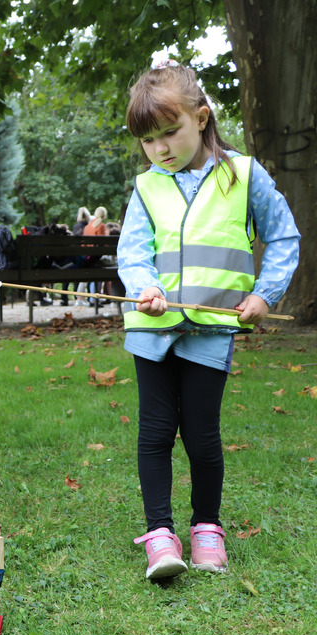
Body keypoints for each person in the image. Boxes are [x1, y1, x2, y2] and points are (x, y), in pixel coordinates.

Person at [119, 62, 299, 580]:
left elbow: (284, 236)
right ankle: (159, 535)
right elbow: (133, 253)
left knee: (201, 435)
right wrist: (144, 288)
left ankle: (207, 530)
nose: (161, 148)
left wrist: (265, 294)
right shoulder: (147, 187)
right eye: (149, 140)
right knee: (154, 432)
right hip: (153, 332)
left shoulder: (243, 175)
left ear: (201, 117)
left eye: (170, 131)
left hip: (212, 331)